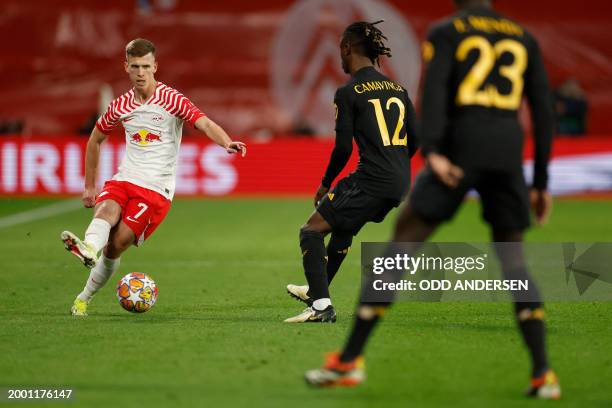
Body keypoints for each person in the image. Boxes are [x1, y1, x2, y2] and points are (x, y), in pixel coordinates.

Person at [305, 0, 561, 400]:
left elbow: (436, 93)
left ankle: (349, 360)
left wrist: (437, 152)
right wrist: (542, 180)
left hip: (461, 151)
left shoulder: (447, 32)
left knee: (398, 249)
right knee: (514, 260)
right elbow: (543, 109)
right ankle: (543, 373)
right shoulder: (522, 36)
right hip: (508, 153)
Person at [61, 38, 246, 316]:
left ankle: (85, 290)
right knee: (107, 210)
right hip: (125, 178)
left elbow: (204, 122)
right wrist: (90, 186)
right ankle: (88, 251)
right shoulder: (120, 106)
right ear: (126, 67)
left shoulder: (172, 100)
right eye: (134, 66)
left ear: (155, 66)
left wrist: (226, 142)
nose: (140, 73)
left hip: (157, 190)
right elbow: (94, 140)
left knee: (116, 245)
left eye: (146, 66)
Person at [284, 21, 418, 323]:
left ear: (346, 48)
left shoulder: (349, 91)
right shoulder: (399, 90)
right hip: (399, 182)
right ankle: (316, 291)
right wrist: (393, 164)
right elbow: (416, 140)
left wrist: (325, 184)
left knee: (311, 230)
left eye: (340, 51)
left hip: (372, 179)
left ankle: (321, 306)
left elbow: (343, 148)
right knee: (343, 228)